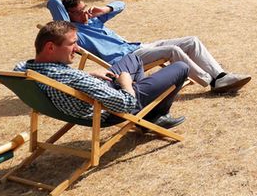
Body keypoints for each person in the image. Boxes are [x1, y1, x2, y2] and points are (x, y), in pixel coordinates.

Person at [48, 0, 251, 93]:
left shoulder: (94, 20)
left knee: (191, 40)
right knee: (172, 50)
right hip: (128, 59)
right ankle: (211, 82)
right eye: (79, 11)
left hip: (139, 46)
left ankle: (221, 75)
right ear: (69, 15)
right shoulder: (73, 32)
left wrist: (105, 9)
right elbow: (53, 3)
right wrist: (69, 17)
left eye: (85, 8)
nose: (85, 12)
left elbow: (122, 5)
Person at [16, 21, 189, 129]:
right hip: (108, 108)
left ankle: (150, 115)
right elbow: (126, 104)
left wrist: (88, 74)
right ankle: (153, 116)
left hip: (92, 93)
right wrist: (126, 84)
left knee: (133, 59)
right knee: (180, 67)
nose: (77, 50)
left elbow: (66, 80)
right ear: (50, 48)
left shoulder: (28, 69)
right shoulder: (73, 78)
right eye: (72, 44)